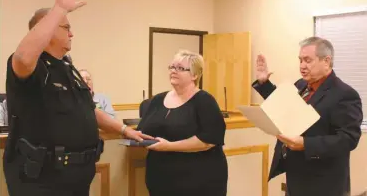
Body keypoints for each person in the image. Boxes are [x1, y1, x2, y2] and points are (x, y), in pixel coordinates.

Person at [3, 0, 152, 196]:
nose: (72, 33)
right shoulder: (32, 66)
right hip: (41, 180)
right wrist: (59, 8)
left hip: (76, 178)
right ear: (47, 27)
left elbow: (87, 109)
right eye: (66, 27)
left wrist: (124, 130)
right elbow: (22, 58)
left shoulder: (67, 68)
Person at [252, 37, 363, 196]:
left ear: (326, 61)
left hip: (324, 183)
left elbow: (348, 139)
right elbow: (284, 107)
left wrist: (306, 144)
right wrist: (264, 83)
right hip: (296, 177)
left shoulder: (344, 94)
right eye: (300, 60)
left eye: (308, 60)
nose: (302, 66)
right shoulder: (301, 85)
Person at [137, 50, 228, 196]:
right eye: (172, 67)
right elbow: (144, 129)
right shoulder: (157, 100)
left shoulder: (205, 101)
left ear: (195, 75)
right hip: (160, 177)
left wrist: (169, 146)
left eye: (180, 68)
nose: (174, 71)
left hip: (198, 179)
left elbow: (209, 140)